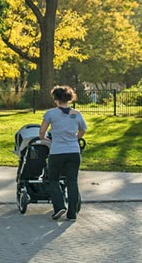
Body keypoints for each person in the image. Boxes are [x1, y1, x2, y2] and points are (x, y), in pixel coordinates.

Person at [39, 85, 87, 221]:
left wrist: (46, 139)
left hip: (57, 151)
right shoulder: (77, 114)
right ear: (69, 98)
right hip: (73, 151)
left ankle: (59, 206)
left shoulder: (50, 114)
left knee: (53, 179)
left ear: (55, 99)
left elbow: (42, 132)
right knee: (72, 181)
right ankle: (72, 214)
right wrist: (75, 139)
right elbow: (83, 130)